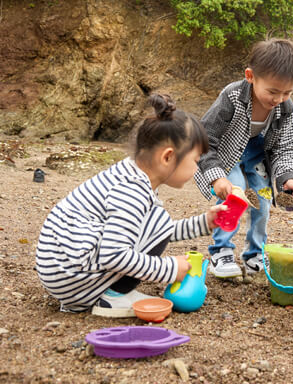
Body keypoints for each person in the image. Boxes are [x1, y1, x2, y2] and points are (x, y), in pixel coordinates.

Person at [35, 94, 226, 317]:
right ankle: (111, 297)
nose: (197, 169)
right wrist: (170, 269)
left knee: (157, 219)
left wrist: (205, 222)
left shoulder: (131, 175)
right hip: (74, 278)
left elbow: (155, 232)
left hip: (64, 271)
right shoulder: (131, 191)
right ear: (168, 157)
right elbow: (113, 254)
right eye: (195, 161)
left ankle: (106, 291)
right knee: (157, 219)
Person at [195, 38, 293, 278]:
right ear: (250, 76)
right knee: (235, 196)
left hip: (257, 156)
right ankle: (221, 251)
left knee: (263, 202)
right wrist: (216, 177)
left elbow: (285, 147)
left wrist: (288, 179)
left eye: (287, 92)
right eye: (273, 91)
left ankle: (255, 253)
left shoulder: (286, 108)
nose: (278, 99)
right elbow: (205, 138)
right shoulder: (233, 96)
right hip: (228, 154)